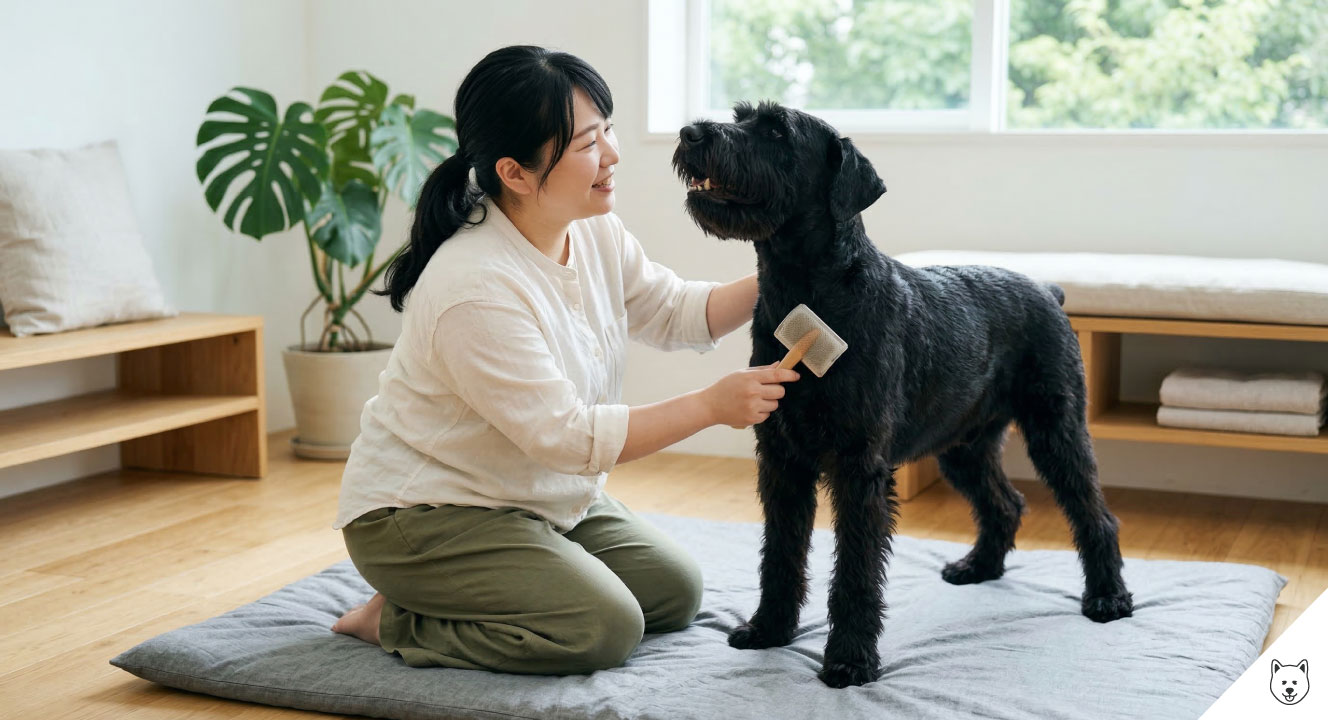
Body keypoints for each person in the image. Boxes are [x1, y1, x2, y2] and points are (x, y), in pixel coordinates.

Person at [329, 45, 800, 675]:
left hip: (533, 497)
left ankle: (495, 583)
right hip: (427, 514)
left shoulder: (592, 226)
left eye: (608, 131)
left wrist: (784, 274)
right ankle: (397, 613)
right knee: (603, 629)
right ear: (516, 173)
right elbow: (566, 438)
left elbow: (673, 310)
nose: (611, 156)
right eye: (586, 145)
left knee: (675, 591)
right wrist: (710, 406)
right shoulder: (473, 288)